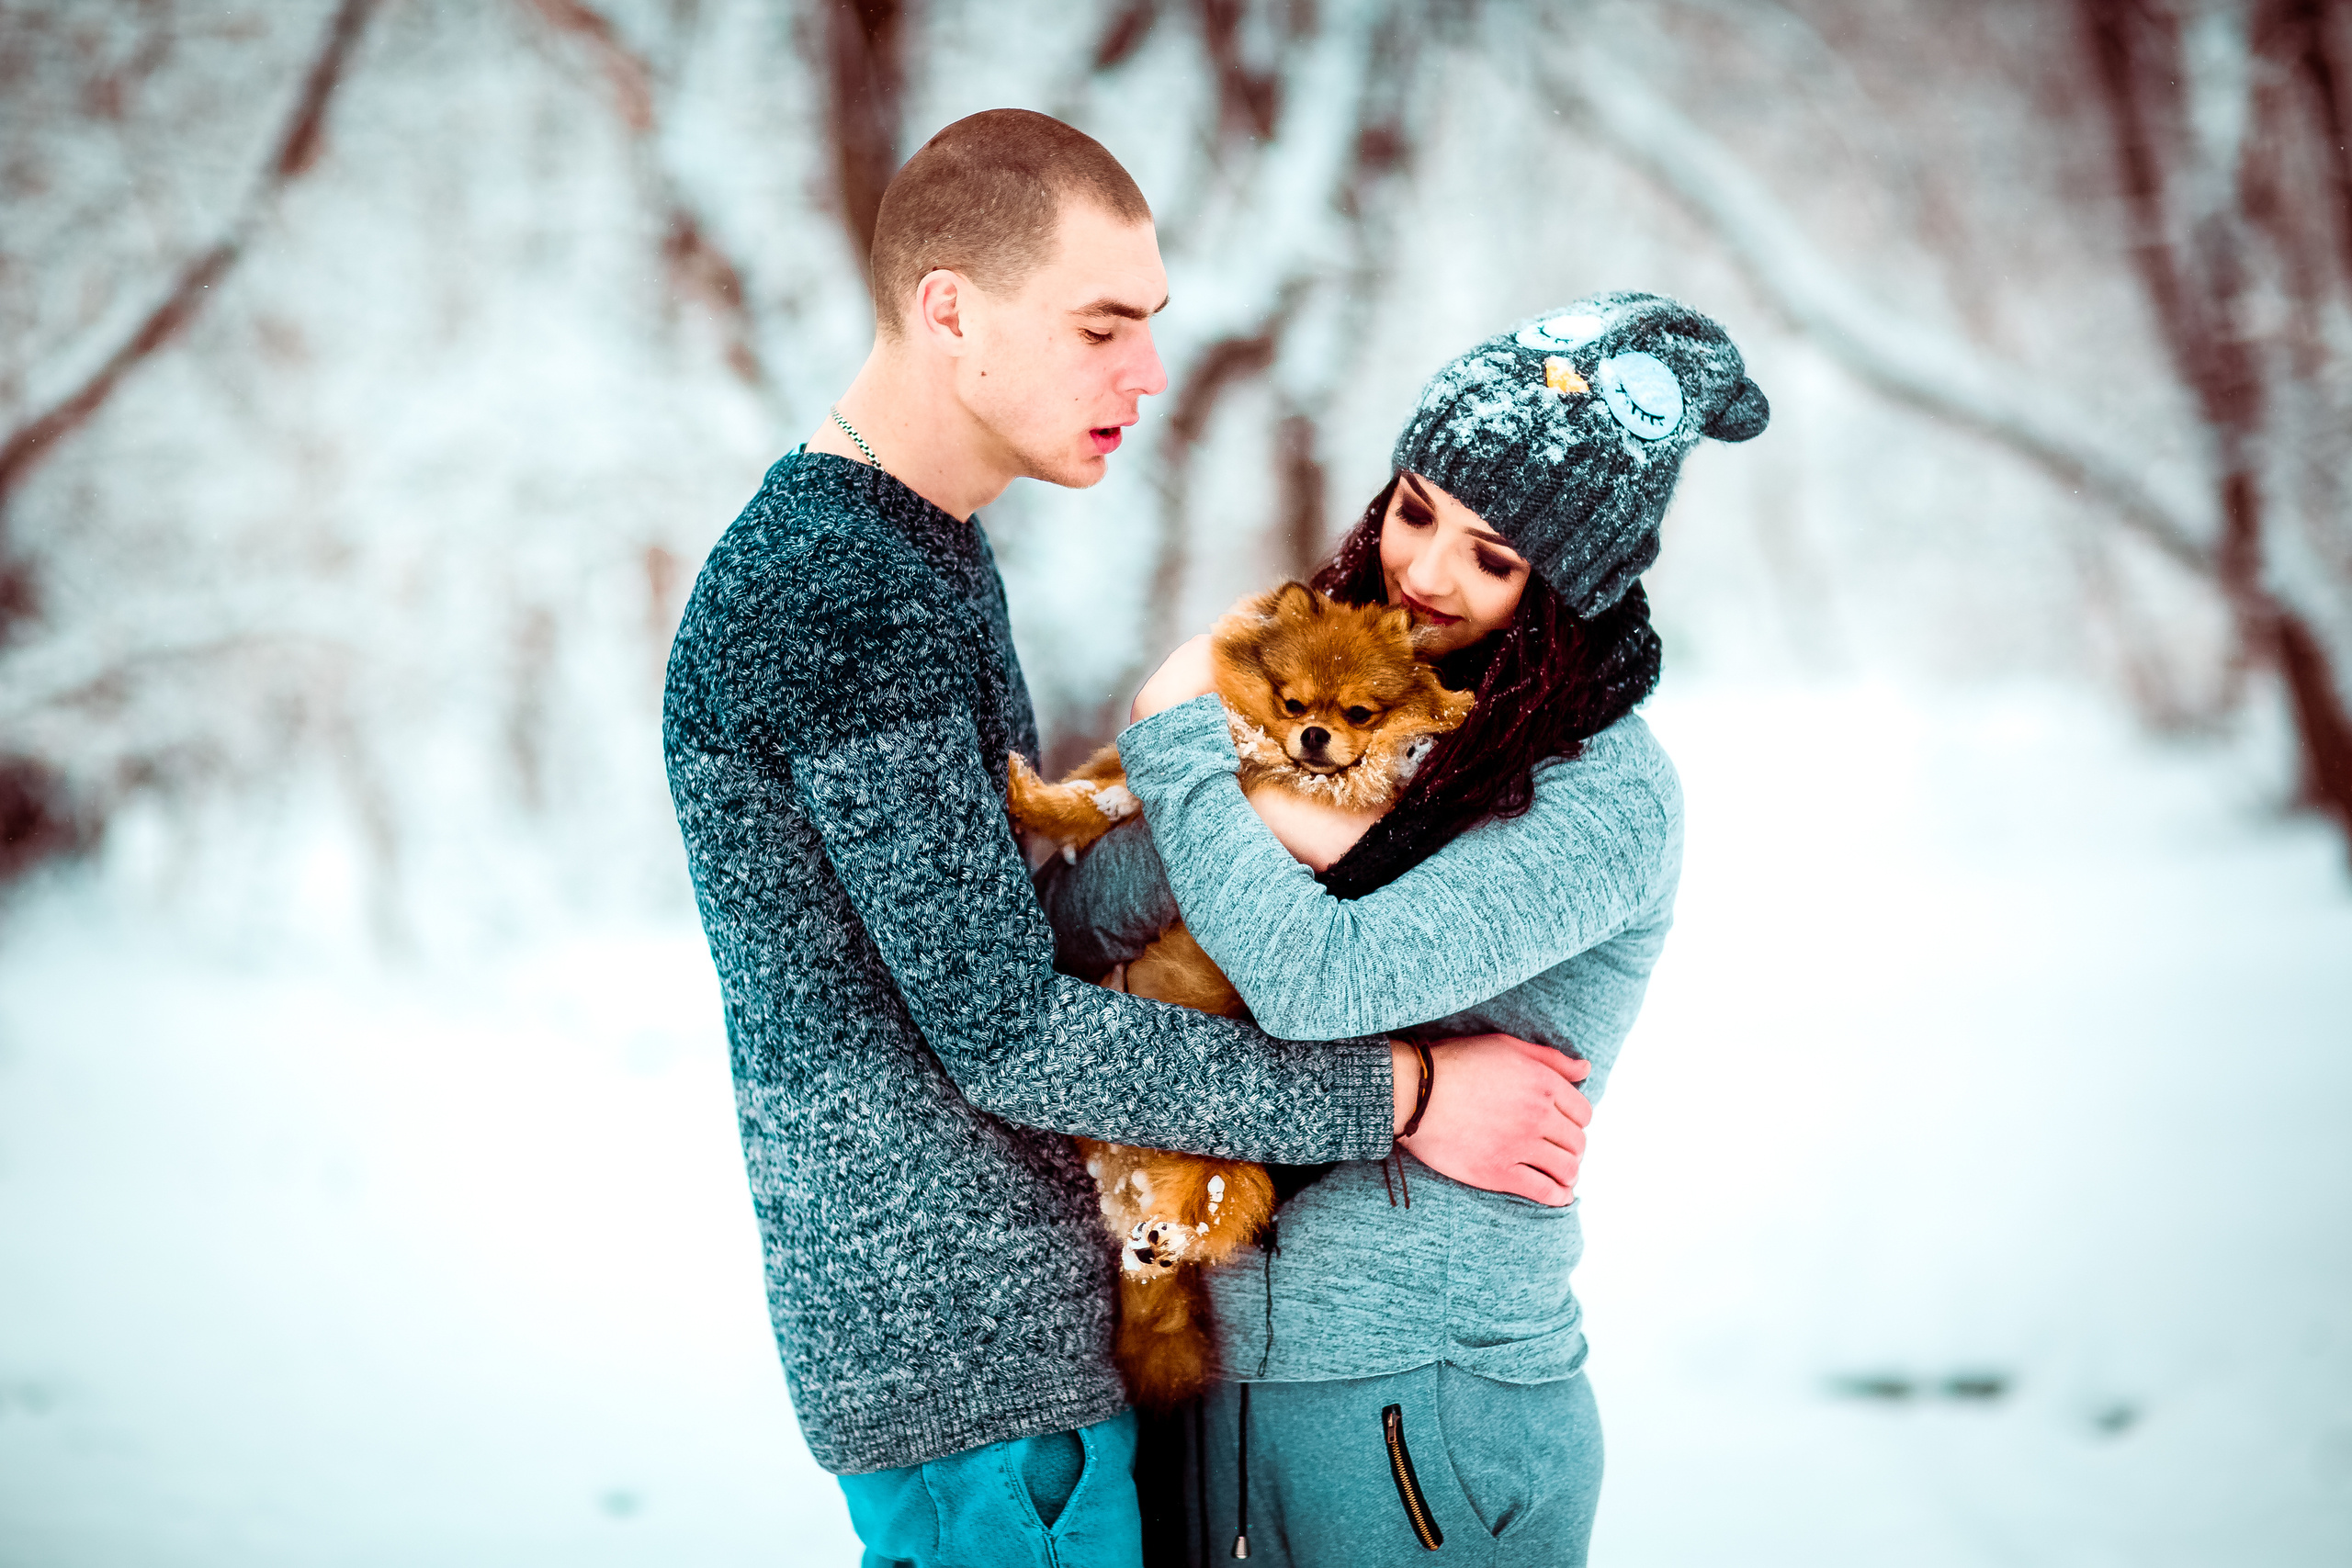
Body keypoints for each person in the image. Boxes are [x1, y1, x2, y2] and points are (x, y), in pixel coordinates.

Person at [660, 108, 1595, 1568]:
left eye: (1149, 324)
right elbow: (1009, 1032)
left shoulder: (915, 550)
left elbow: (1011, 933)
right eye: (1103, 328)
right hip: (981, 1381)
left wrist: (1246, 810)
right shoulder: (840, 591)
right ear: (950, 311)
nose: (1148, 372)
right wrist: (1402, 1096)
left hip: (1013, 1360)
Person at [1038, 293, 1770, 1565]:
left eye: (1492, 557)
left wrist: (1188, 748)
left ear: (1568, 590)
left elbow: (1320, 980)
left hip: (1415, 1406)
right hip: (1208, 1380)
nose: (1423, 572)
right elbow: (1081, 925)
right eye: (1416, 511)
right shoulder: (1323, 685)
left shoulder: (1605, 796)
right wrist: (1259, 789)